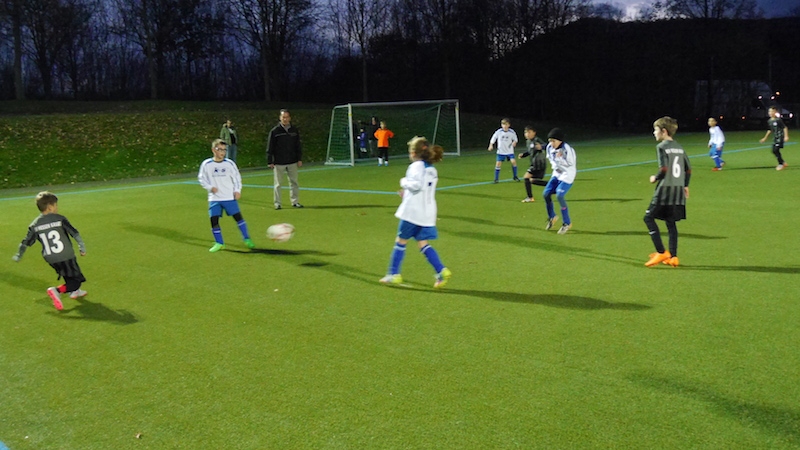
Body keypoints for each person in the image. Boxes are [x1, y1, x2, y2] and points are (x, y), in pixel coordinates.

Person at [380, 136, 451, 289]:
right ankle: (441, 270)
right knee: (423, 243)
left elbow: (417, 185)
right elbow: (423, 189)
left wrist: (403, 182)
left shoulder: (416, 166)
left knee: (401, 241)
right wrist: (406, 194)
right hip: (427, 213)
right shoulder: (431, 169)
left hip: (413, 212)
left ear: (413, 153)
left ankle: (393, 274)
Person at [12, 191, 88, 310]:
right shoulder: (60, 219)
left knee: (66, 273)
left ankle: (75, 292)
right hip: (66, 255)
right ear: (50, 207)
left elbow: (25, 242)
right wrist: (82, 247)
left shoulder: (35, 225)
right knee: (76, 280)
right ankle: (57, 290)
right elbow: (74, 233)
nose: (57, 207)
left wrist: (18, 255)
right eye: (56, 205)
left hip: (51, 258)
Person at [644, 116, 691, 267]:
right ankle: (674, 256)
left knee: (648, 218)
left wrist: (655, 178)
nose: (654, 133)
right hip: (677, 189)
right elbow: (688, 169)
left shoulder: (662, 147)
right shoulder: (679, 147)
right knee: (671, 222)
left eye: (655, 130)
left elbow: (664, 169)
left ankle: (661, 252)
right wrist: (685, 185)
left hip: (665, 189)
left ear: (664, 131)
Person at [198, 139, 255, 252]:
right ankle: (219, 243)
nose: (223, 152)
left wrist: (237, 190)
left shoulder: (229, 163)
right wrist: (210, 187)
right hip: (214, 198)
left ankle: (247, 239)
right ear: (213, 150)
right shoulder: (207, 164)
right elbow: (201, 178)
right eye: (220, 149)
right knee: (214, 220)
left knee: (238, 218)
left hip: (229, 197)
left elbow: (237, 178)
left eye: (224, 150)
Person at [267, 109, 303, 209]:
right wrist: (270, 160)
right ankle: (277, 203)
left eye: (287, 117)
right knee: (278, 184)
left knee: (294, 182)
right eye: (283, 117)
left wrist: (299, 158)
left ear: (290, 118)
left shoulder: (294, 130)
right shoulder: (275, 131)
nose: (285, 119)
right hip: (279, 162)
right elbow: (270, 146)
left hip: (292, 161)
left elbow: (298, 145)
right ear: (280, 118)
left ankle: (295, 202)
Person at [542, 128, 576, 234]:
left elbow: (570, 163)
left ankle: (567, 223)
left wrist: (560, 158)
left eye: (553, 141)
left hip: (567, 175)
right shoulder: (549, 147)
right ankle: (552, 216)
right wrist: (556, 165)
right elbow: (550, 159)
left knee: (559, 195)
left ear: (560, 140)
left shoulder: (567, 149)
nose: (551, 143)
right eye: (550, 141)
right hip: (557, 174)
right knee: (546, 194)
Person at [517, 125, 548, 202]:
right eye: (526, 132)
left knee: (526, 178)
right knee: (530, 180)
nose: (527, 134)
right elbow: (530, 151)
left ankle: (530, 197)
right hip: (535, 164)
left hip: (539, 164)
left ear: (534, 133)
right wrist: (524, 155)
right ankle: (553, 185)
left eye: (529, 132)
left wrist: (542, 146)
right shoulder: (528, 141)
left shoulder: (536, 140)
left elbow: (547, 145)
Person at [487, 118, 519, 183]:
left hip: (509, 151)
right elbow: (493, 138)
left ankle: (515, 176)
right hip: (501, 151)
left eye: (506, 124)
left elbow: (515, 139)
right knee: (498, 164)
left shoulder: (511, 132)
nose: (505, 126)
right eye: (503, 124)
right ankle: (496, 179)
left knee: (513, 162)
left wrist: (514, 142)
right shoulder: (498, 132)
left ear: (509, 125)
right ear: (501, 125)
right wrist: (491, 145)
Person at [759, 106, 790, 170]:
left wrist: (786, 136)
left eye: (772, 111)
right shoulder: (769, 121)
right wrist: (765, 138)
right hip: (775, 138)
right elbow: (770, 130)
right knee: (774, 150)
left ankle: (781, 164)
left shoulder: (778, 120)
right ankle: (783, 162)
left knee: (775, 150)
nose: (770, 113)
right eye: (769, 111)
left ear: (775, 112)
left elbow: (784, 127)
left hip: (780, 137)